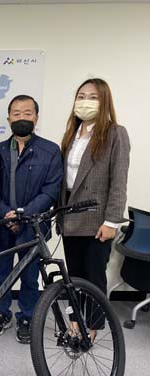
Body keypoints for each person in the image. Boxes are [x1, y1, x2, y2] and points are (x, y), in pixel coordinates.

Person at [0, 95, 62, 344]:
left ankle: (27, 317)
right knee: (1, 273)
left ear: (36, 118)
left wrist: (24, 214)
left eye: (27, 113)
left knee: (30, 276)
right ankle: (1, 313)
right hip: (2, 224)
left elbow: (51, 191)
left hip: (33, 225)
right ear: (8, 118)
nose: (22, 118)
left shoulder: (50, 151)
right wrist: (5, 213)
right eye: (16, 113)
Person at [59, 78, 130, 339]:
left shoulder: (115, 133)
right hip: (70, 216)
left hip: (97, 220)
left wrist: (111, 221)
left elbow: (118, 181)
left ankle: (93, 326)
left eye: (92, 97)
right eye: (81, 96)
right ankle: (75, 321)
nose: (85, 102)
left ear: (104, 102)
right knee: (74, 277)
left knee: (94, 277)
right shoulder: (72, 134)